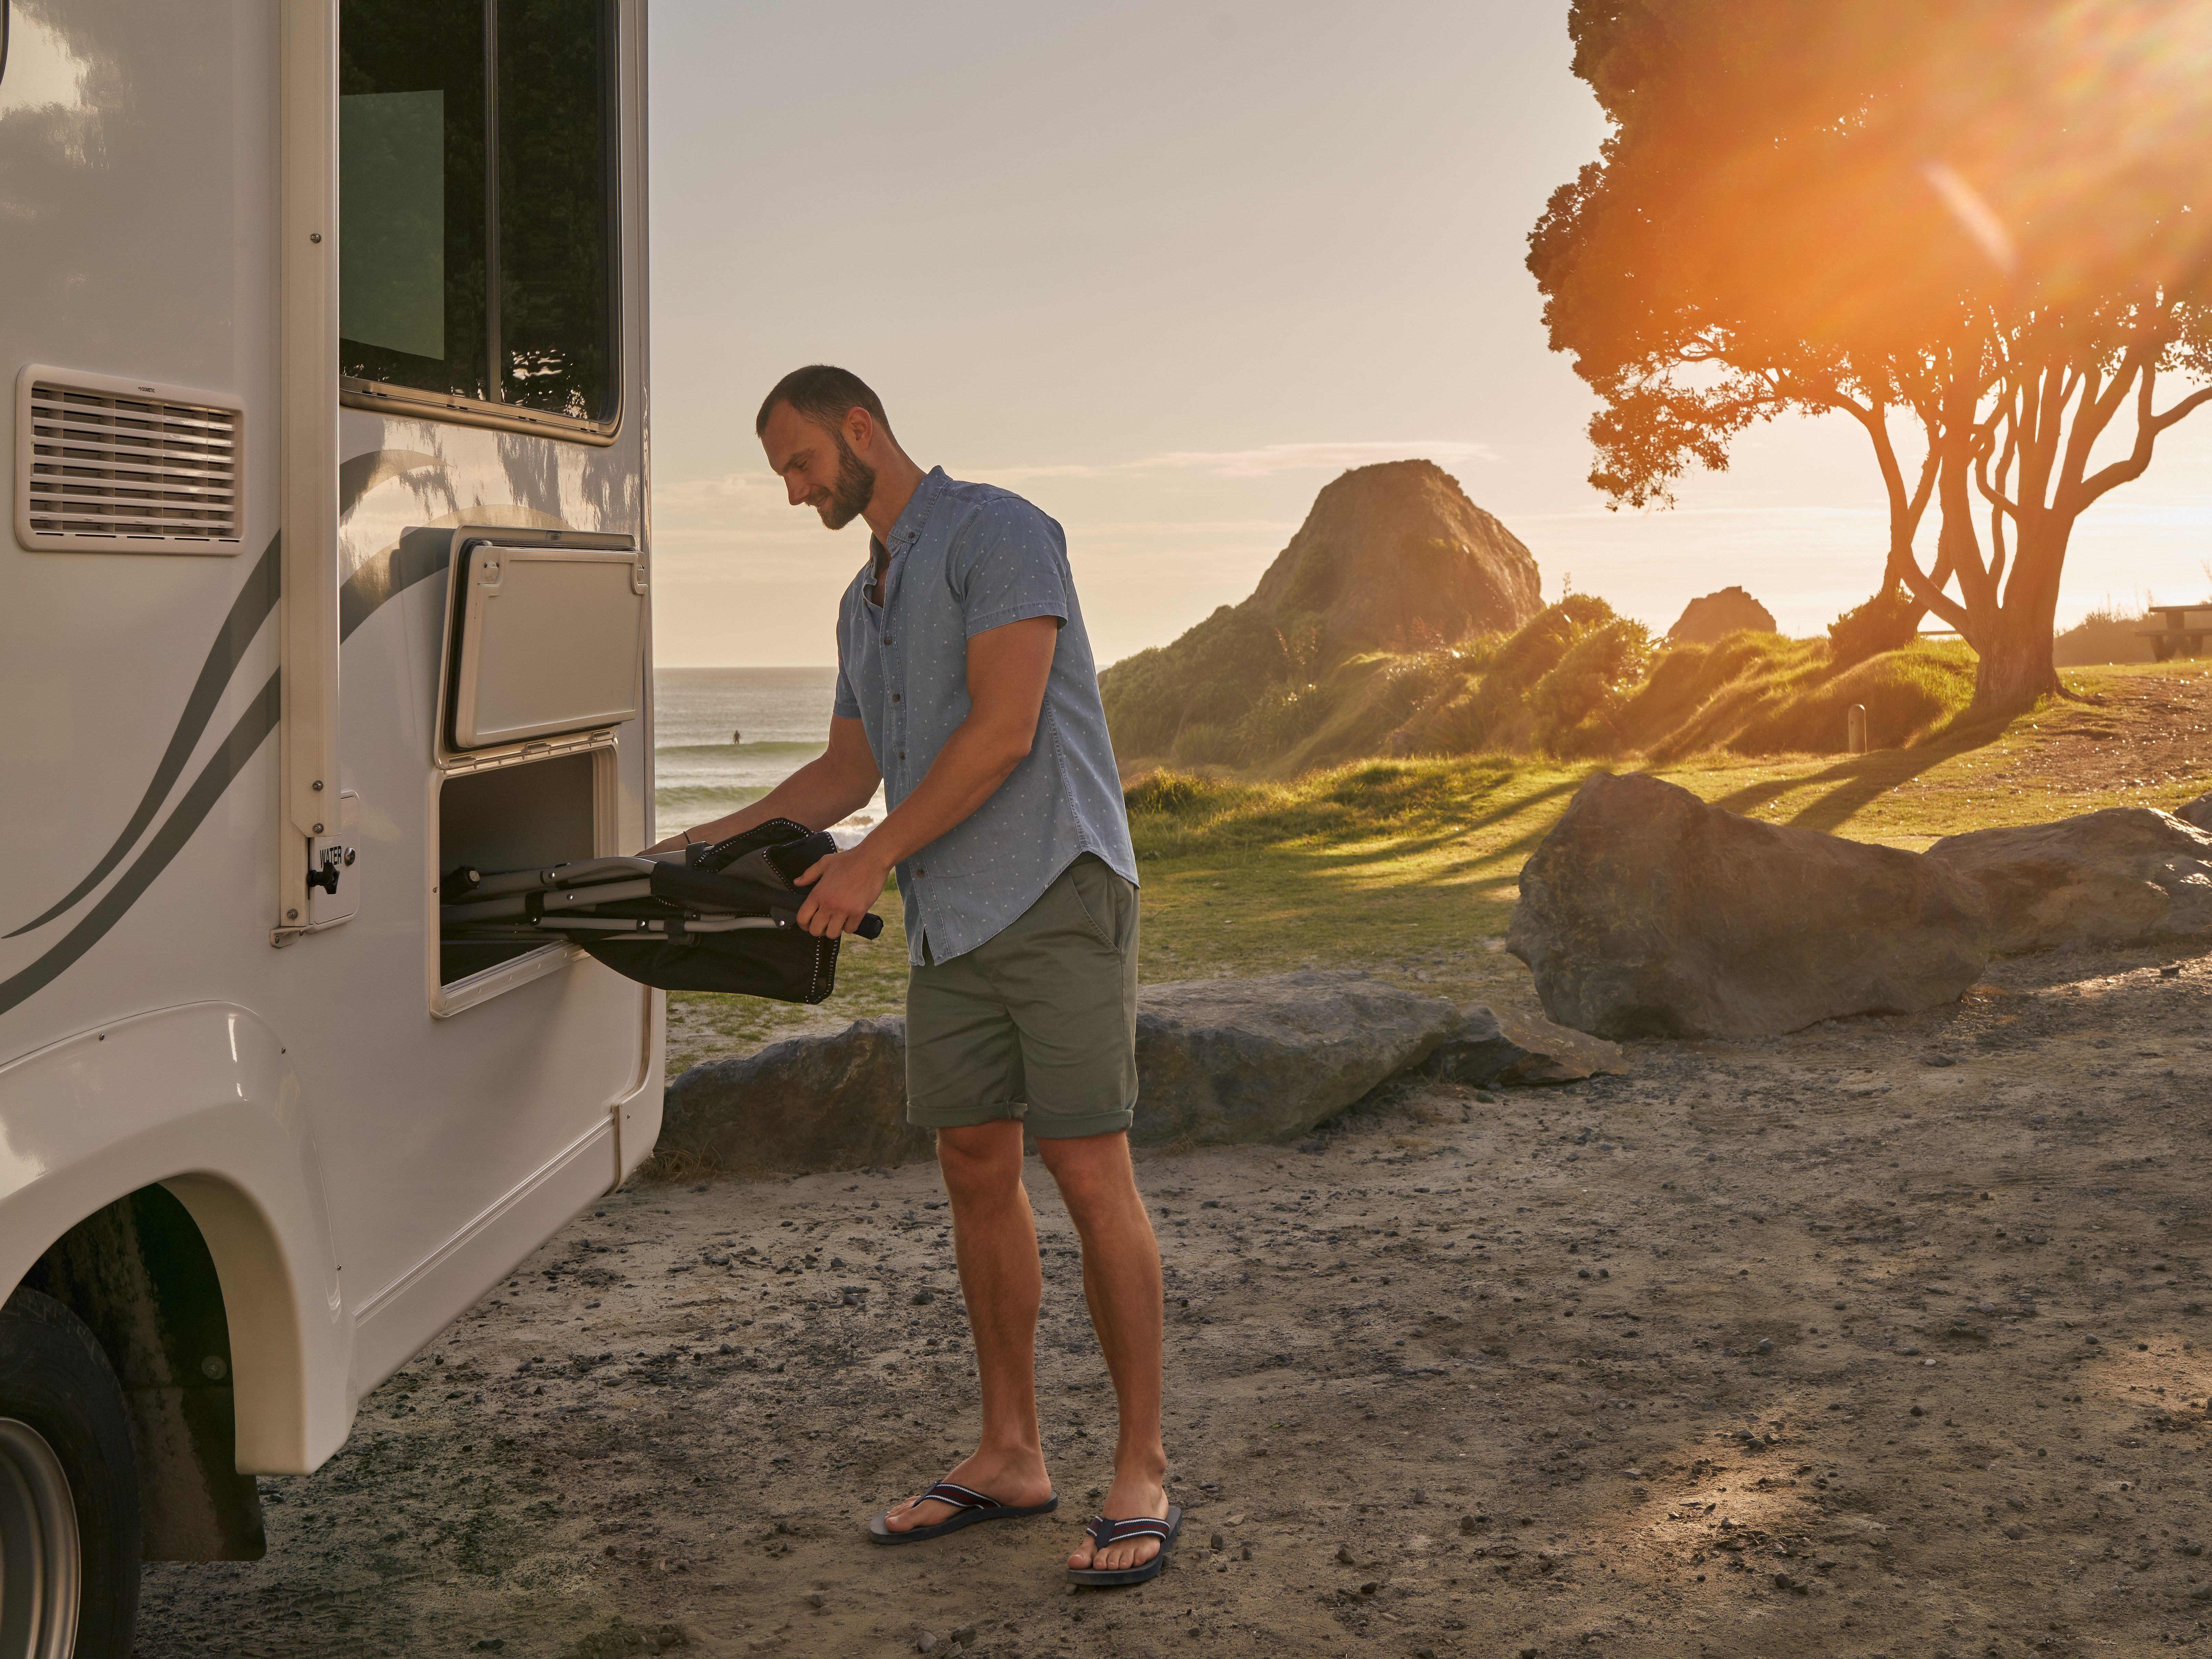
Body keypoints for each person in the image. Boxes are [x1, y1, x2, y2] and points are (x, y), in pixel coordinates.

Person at [650, 366, 1175, 1585]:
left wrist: (870, 866)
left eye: (801, 464)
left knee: (1090, 1169)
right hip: (953, 921)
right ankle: (1011, 1453)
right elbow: (845, 771)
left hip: (1055, 886)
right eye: (784, 474)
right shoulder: (862, 600)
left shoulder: (999, 531)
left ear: (860, 429)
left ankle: (1141, 1465)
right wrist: (701, 840)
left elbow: (1003, 728)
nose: (795, 492)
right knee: (974, 1166)